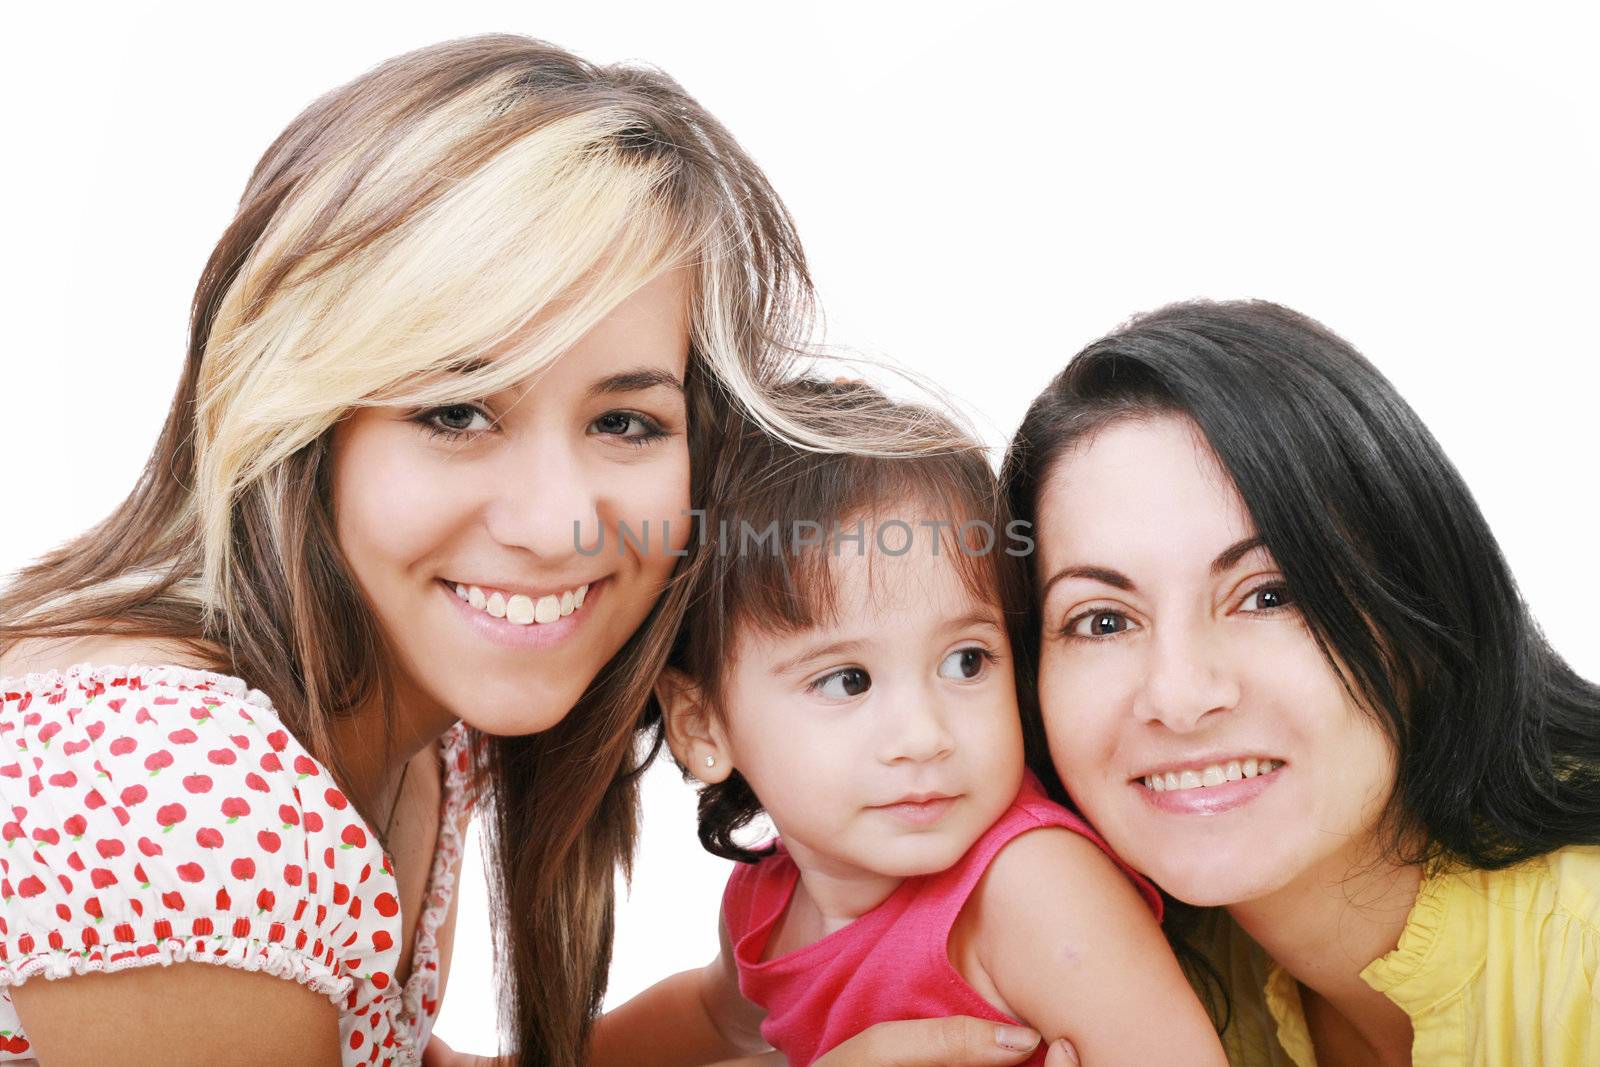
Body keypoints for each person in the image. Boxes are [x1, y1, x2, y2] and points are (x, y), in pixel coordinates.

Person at [0, 33, 897, 1067]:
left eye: (626, 423)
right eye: (457, 411)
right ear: (300, 422)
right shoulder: (178, 787)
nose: (559, 521)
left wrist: (737, 1013)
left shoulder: (415, 718)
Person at [1001, 300, 1600, 1064]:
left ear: (1420, 611)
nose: (1182, 698)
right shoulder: (1123, 987)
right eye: (1104, 620)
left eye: (1270, 595)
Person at [580, 380, 1226, 1066]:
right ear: (701, 725)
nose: (925, 735)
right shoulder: (767, 907)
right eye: (846, 680)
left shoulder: (1031, 888)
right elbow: (714, 1019)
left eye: (967, 661)